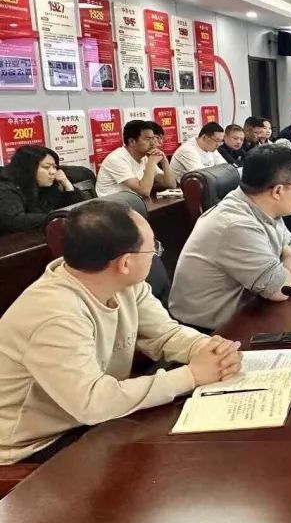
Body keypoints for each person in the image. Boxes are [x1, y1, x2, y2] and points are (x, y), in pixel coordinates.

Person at [0, 199, 241, 464]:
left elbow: (165, 334)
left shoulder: (124, 284)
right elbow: (92, 403)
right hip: (36, 445)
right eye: (152, 248)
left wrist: (210, 350)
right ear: (125, 263)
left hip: (90, 421)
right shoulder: (55, 314)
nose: (155, 254)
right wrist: (191, 375)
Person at [169, 145, 291, 331]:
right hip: (210, 331)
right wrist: (289, 259)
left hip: (248, 310)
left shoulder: (264, 208)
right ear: (277, 191)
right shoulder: (235, 224)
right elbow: (281, 289)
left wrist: (288, 260)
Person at [0, 145, 86, 233]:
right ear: (27, 168)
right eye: (46, 167)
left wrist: (68, 186)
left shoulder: (48, 185)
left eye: (54, 167)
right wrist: (57, 216)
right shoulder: (5, 187)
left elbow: (83, 212)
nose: (53, 172)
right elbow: (15, 220)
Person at [95, 120, 176, 197]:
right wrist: (151, 162)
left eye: (153, 138)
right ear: (132, 141)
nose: (153, 143)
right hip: (111, 205)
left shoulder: (144, 157)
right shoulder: (116, 159)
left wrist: (164, 160)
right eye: (148, 139)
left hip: (132, 202)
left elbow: (171, 185)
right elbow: (144, 191)